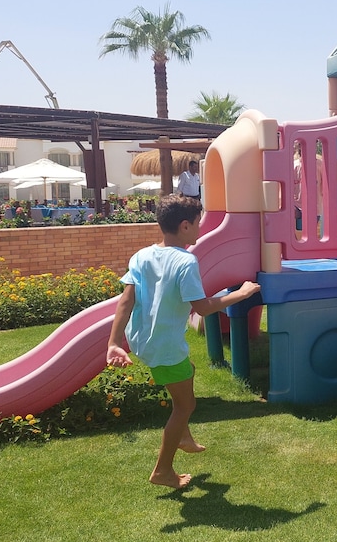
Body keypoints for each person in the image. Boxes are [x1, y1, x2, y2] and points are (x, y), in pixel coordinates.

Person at [106, 195, 261, 488]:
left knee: (188, 370)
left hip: (141, 340)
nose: (200, 228)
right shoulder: (186, 261)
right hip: (165, 346)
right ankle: (163, 470)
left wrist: (114, 343)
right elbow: (202, 308)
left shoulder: (141, 255)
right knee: (185, 406)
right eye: (198, 223)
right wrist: (240, 294)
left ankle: (184, 436)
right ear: (185, 226)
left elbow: (126, 301)